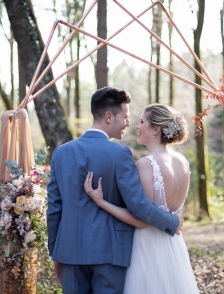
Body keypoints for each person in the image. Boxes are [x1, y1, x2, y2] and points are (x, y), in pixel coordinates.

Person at [46, 87, 183, 294]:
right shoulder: (120, 154)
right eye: (125, 117)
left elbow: (54, 209)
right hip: (111, 252)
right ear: (109, 117)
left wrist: (56, 253)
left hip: (70, 251)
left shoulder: (61, 153)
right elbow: (139, 206)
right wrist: (173, 222)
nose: (128, 123)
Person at [84, 103, 199, 294]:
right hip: (174, 245)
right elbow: (177, 215)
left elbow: (140, 220)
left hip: (149, 248)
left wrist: (101, 202)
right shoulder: (182, 163)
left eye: (142, 121)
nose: (136, 126)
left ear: (155, 129)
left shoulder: (147, 165)